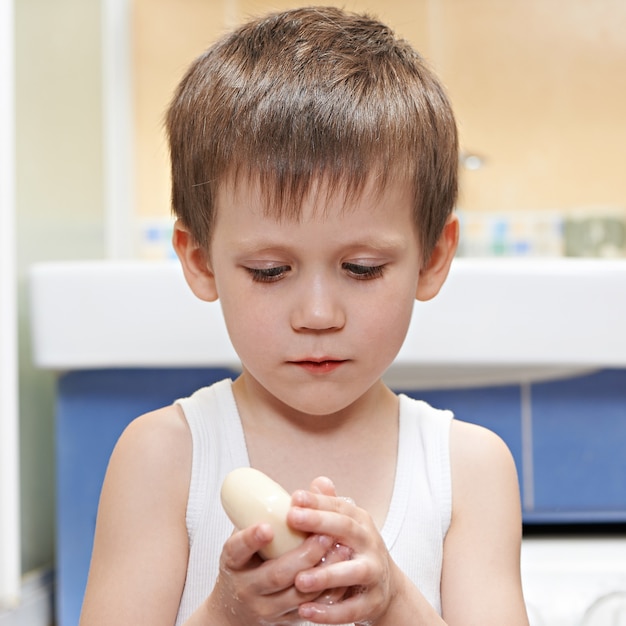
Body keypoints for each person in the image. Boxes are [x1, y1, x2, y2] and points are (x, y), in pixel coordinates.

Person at [79, 6, 529, 626]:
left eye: (363, 268)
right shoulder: (164, 458)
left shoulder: (468, 470)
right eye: (269, 272)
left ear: (433, 258)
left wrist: (395, 600)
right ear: (200, 261)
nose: (318, 315)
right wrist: (227, 614)